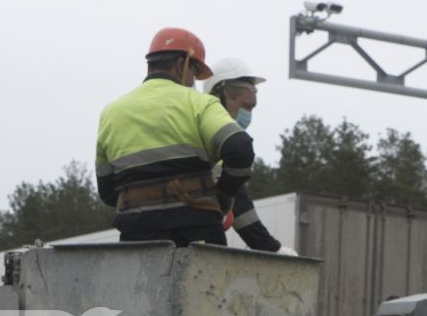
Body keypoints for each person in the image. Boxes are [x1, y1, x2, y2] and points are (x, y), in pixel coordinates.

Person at [95, 28, 255, 247]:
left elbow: (107, 191)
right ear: (182, 65)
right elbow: (240, 148)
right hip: (197, 235)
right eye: (195, 72)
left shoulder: (111, 113)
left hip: (136, 238)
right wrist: (223, 197)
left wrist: (144, 208)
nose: (193, 82)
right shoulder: (199, 103)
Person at [202, 57, 286, 253]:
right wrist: (273, 249)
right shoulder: (207, 141)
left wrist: (270, 247)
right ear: (218, 98)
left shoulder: (223, 145)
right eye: (245, 106)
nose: (247, 115)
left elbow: (238, 206)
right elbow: (239, 206)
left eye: (251, 108)